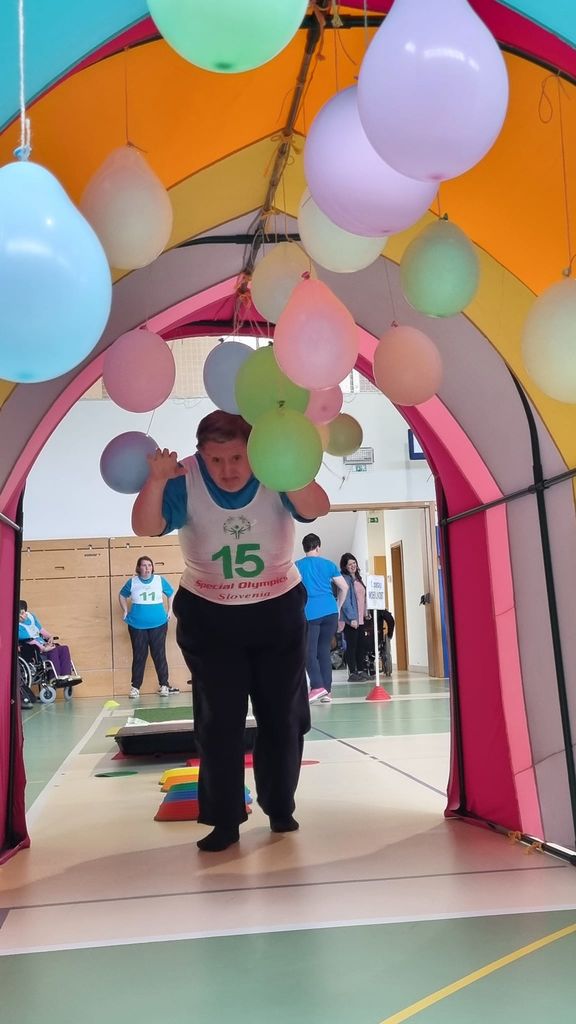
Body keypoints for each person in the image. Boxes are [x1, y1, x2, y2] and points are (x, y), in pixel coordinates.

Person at [131, 410, 329, 853]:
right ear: (200, 455)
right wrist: (157, 480)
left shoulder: (274, 466)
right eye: (216, 459)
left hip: (276, 609)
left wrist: (288, 462)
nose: (228, 469)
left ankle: (280, 806)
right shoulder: (184, 478)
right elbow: (145, 527)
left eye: (238, 457)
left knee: (283, 716)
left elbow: (317, 508)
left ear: (254, 450)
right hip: (211, 614)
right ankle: (224, 820)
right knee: (218, 722)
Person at [296, 533, 348, 704]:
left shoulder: (297, 566)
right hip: (330, 612)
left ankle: (317, 686)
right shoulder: (329, 564)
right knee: (324, 651)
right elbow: (344, 587)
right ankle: (327, 692)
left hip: (310, 613)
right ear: (318, 547)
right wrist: (338, 607)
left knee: (308, 652)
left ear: (304, 548)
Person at [119, 556, 178, 698]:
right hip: (137, 625)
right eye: (144, 565)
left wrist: (170, 610)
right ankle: (135, 688)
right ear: (138, 568)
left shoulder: (159, 580)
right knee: (139, 655)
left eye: (149, 565)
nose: (147, 568)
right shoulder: (132, 582)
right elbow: (122, 595)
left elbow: (171, 593)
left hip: (159, 624)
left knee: (159, 654)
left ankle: (164, 685)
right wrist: (125, 611)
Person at [18, 599, 79, 679]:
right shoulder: (17, 627)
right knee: (53, 650)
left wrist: (50, 637)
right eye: (19, 615)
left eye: (23, 613)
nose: (22, 616)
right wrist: (44, 648)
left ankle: (66, 676)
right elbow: (30, 641)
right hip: (35, 649)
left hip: (44, 644)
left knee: (64, 649)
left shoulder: (31, 616)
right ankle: (54, 678)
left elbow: (41, 629)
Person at [339, 553, 369, 682]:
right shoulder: (345, 579)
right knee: (352, 646)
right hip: (350, 619)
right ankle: (352, 673)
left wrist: (366, 612)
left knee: (361, 645)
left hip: (360, 618)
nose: (353, 566)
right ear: (345, 567)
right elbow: (345, 601)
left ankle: (361, 670)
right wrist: (352, 618)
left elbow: (363, 598)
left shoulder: (358, 578)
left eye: (354, 563)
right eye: (349, 564)